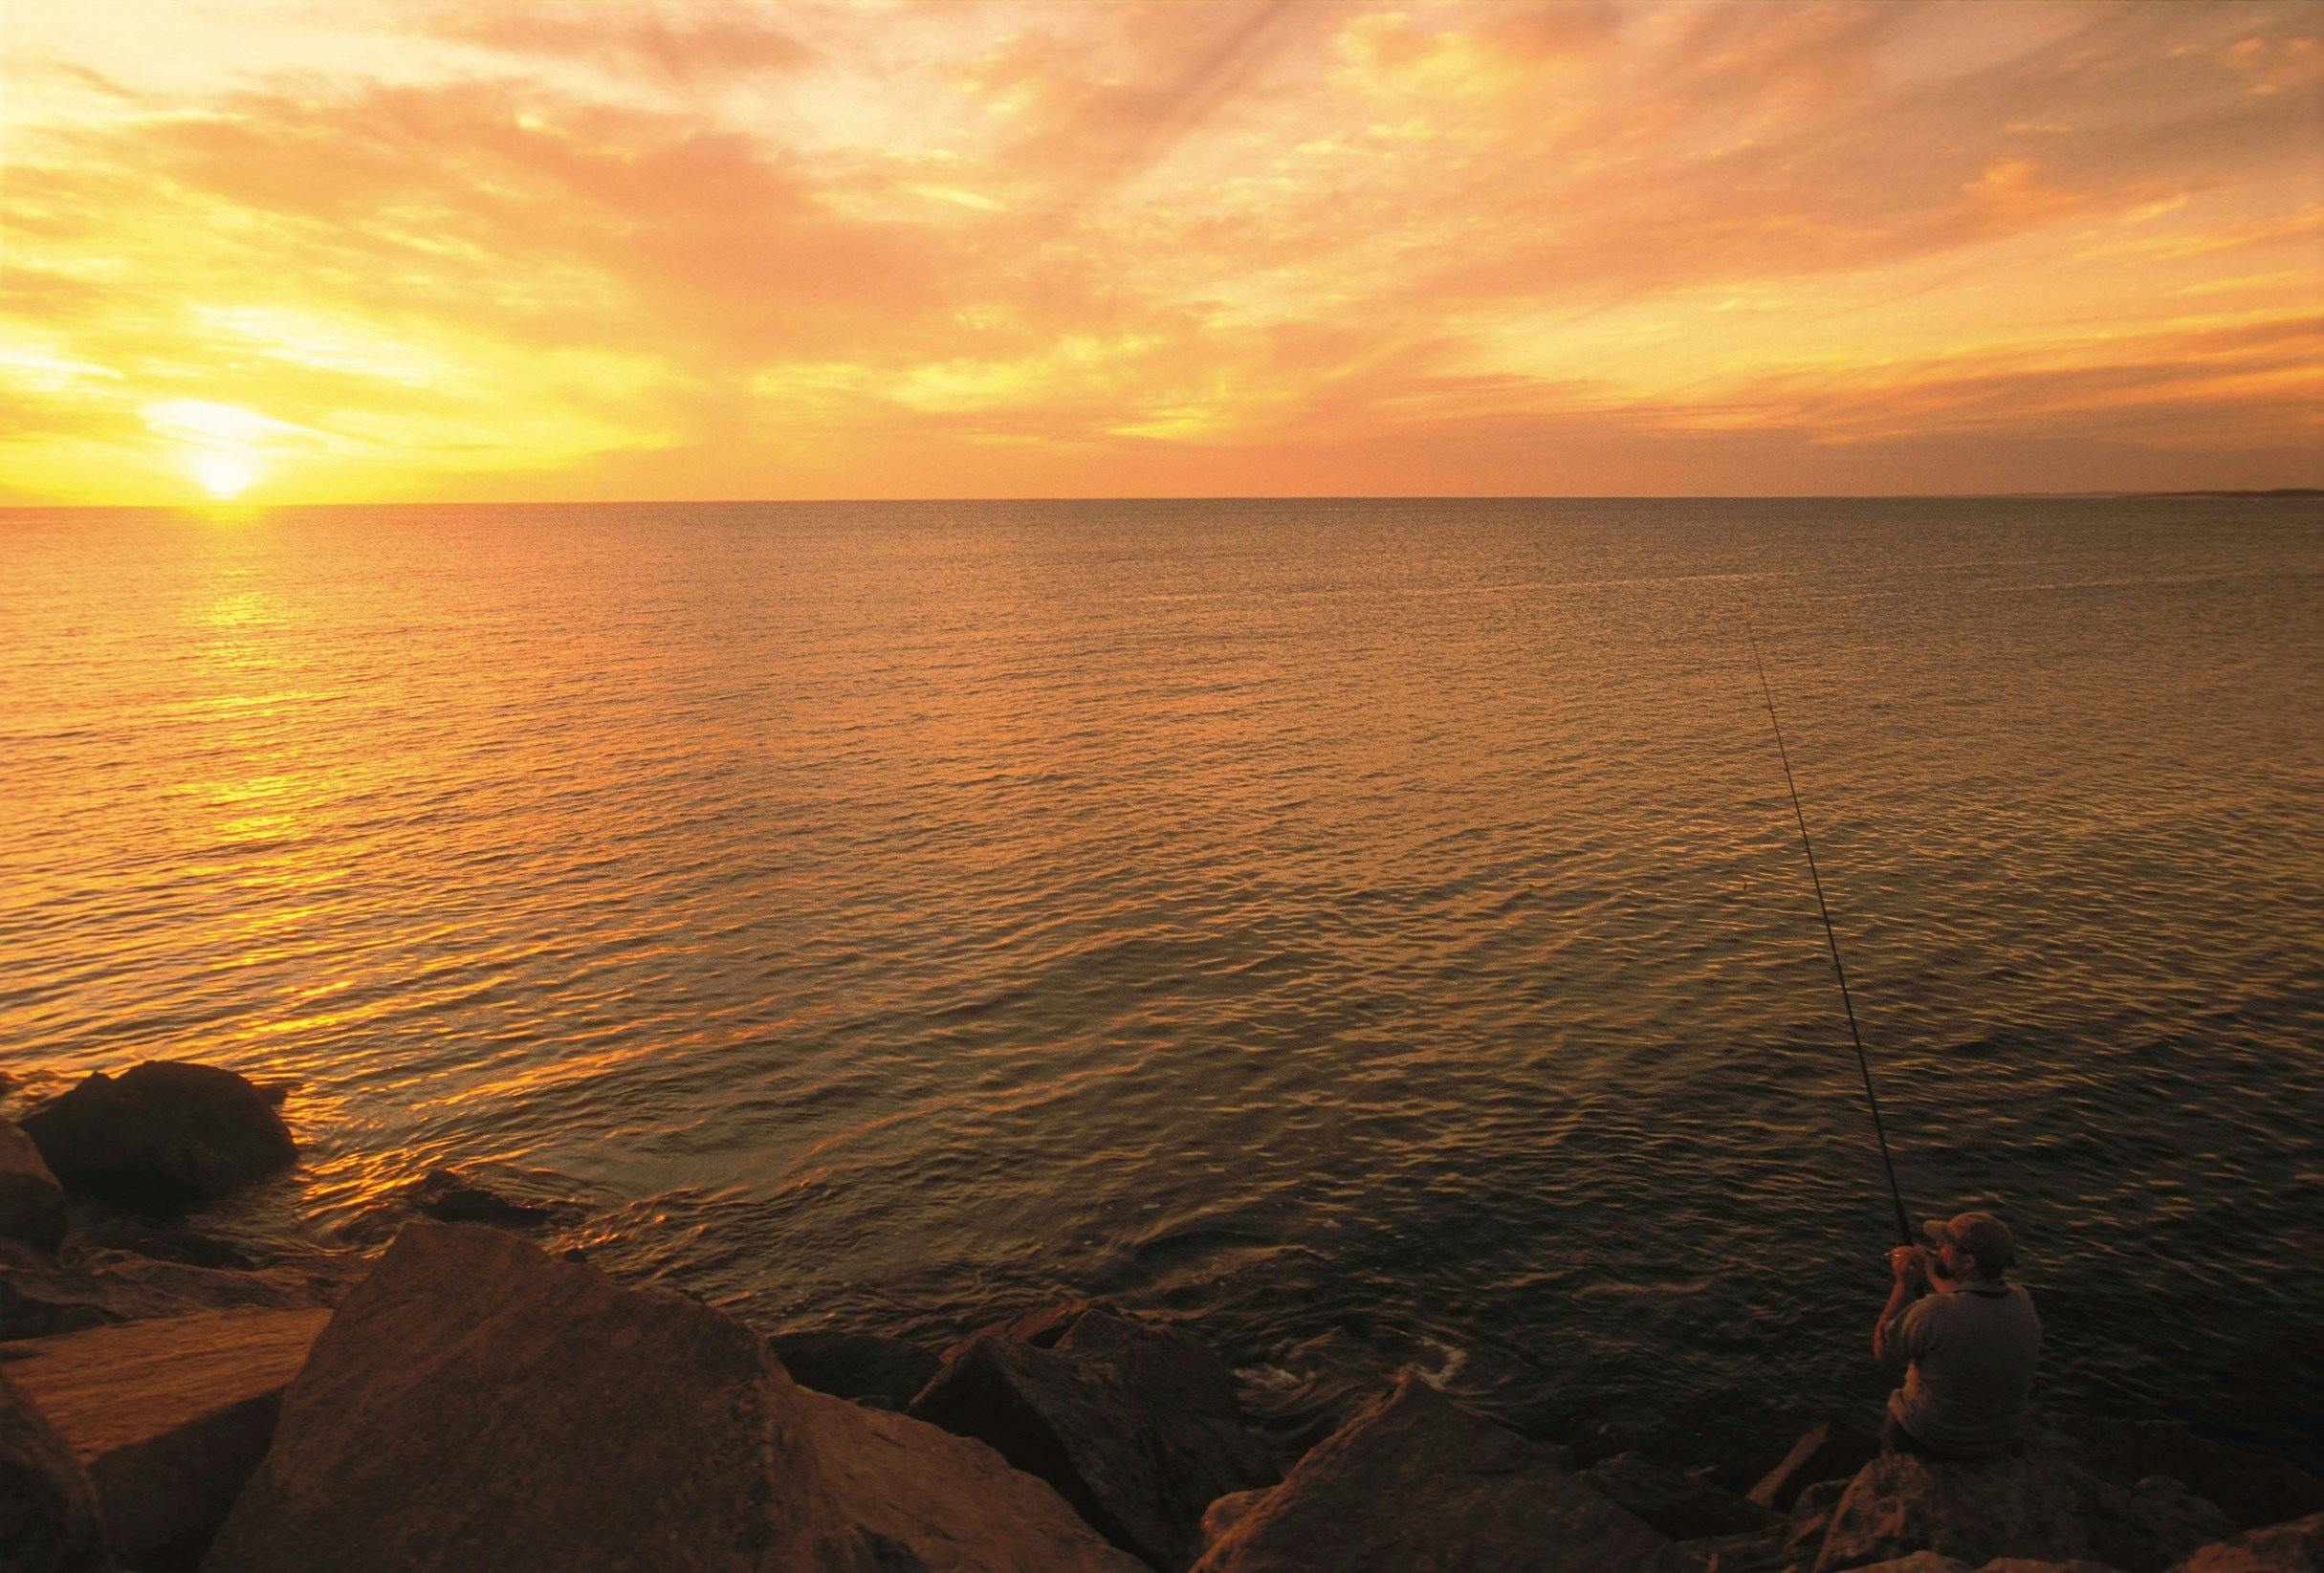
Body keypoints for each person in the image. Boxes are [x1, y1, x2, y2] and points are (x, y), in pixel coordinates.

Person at [1873, 1211, 2042, 1459]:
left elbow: (1883, 1351)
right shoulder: (2021, 1298)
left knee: (1896, 1415)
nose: (1938, 1246)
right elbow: (1967, 1299)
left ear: (1969, 1262)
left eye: (1946, 1245)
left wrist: (1903, 1284)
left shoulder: (1934, 1312)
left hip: (1933, 1439)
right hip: (1995, 1439)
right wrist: (1932, 1268)